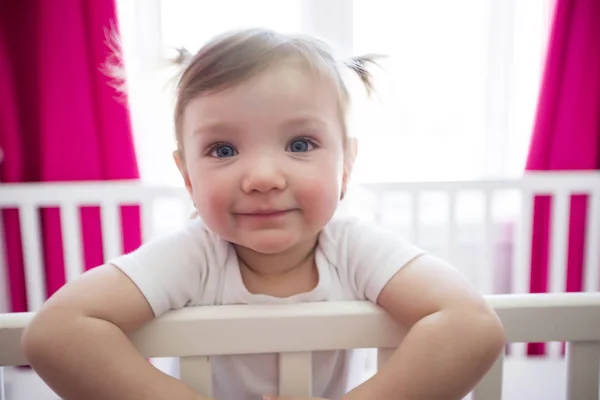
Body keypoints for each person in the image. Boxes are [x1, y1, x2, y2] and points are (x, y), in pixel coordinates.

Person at [21, 28, 505, 400]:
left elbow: (471, 324)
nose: (262, 177)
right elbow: (55, 332)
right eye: (223, 149)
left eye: (300, 144)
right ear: (187, 175)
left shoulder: (352, 246)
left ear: (347, 164)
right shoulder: (196, 254)